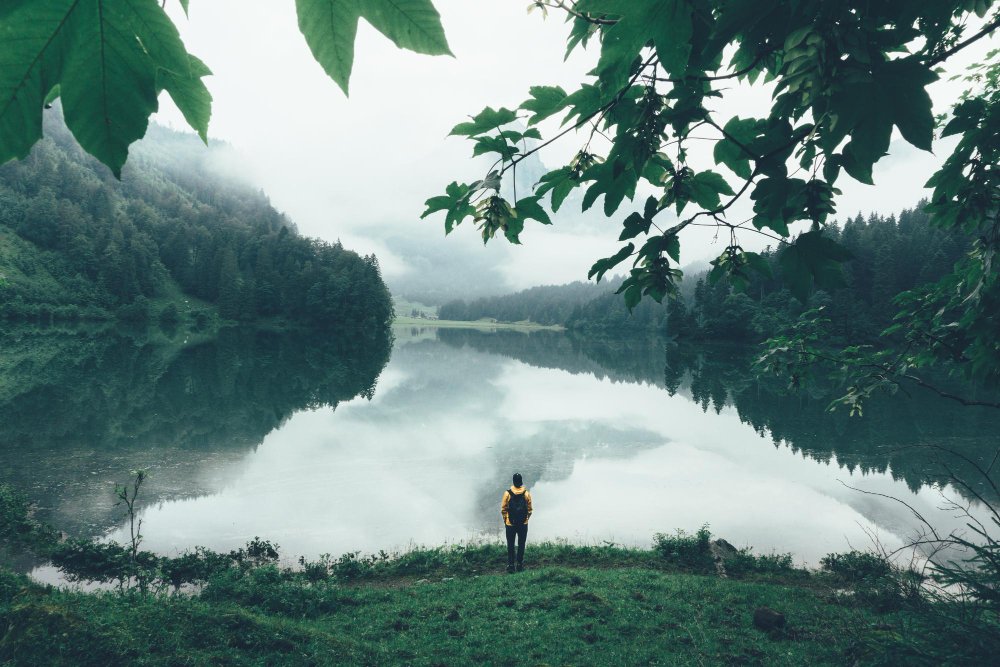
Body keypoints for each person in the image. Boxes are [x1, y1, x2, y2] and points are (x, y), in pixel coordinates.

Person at [500, 472, 532, 573]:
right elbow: (530, 510)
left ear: (513, 482)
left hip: (510, 523)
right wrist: (525, 519)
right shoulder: (526, 493)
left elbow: (503, 510)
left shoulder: (507, 493)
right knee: (521, 544)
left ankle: (511, 566)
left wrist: (506, 520)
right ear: (521, 482)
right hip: (523, 523)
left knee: (510, 544)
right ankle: (520, 565)